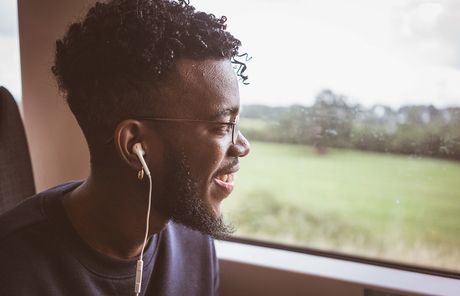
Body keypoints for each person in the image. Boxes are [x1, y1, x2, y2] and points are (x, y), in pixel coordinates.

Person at [0, 0, 250, 295]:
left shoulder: (193, 240)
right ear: (135, 145)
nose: (243, 146)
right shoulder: (13, 267)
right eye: (222, 126)